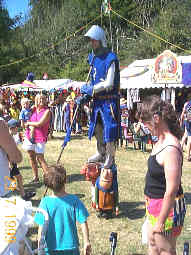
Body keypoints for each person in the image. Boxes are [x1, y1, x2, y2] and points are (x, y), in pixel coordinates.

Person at [140, 95, 186, 255]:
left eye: (146, 123)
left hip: (167, 209)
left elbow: (172, 189)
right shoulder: (160, 141)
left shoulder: (171, 147)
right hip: (155, 205)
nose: (145, 127)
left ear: (156, 118)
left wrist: (161, 221)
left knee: (164, 249)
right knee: (153, 247)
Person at [77, 24, 120, 169]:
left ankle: (110, 156)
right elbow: (93, 79)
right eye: (91, 40)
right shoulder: (93, 58)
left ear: (101, 40)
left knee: (109, 129)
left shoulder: (111, 58)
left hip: (108, 102)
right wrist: (86, 95)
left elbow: (109, 83)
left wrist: (91, 89)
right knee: (97, 128)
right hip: (97, 102)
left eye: (94, 40)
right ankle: (100, 152)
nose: (92, 43)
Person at [34, 165, 91, 255]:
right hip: (71, 247)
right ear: (65, 180)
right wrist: (86, 241)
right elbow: (83, 222)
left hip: (51, 247)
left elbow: (41, 227)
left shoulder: (44, 202)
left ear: (48, 185)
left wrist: (40, 246)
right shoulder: (74, 200)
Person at [22, 94, 51, 182]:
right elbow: (25, 116)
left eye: (43, 99)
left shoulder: (47, 111)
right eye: (39, 99)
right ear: (36, 100)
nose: (41, 100)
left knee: (40, 158)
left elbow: (39, 123)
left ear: (46, 100)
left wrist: (29, 124)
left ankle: (50, 178)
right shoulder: (33, 109)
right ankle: (35, 177)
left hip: (40, 137)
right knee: (31, 156)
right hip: (29, 136)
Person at [8, 118, 36, 200]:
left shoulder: (11, 136)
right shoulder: (9, 138)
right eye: (17, 128)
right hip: (9, 162)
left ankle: (22, 195)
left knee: (16, 178)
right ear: (12, 128)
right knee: (12, 179)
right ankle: (12, 196)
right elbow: (7, 152)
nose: (18, 130)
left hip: (12, 161)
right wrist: (9, 163)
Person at [0, 117, 22, 197]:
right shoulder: (1, 123)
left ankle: (18, 191)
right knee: (15, 178)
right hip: (7, 164)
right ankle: (21, 193)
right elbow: (17, 157)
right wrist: (11, 163)